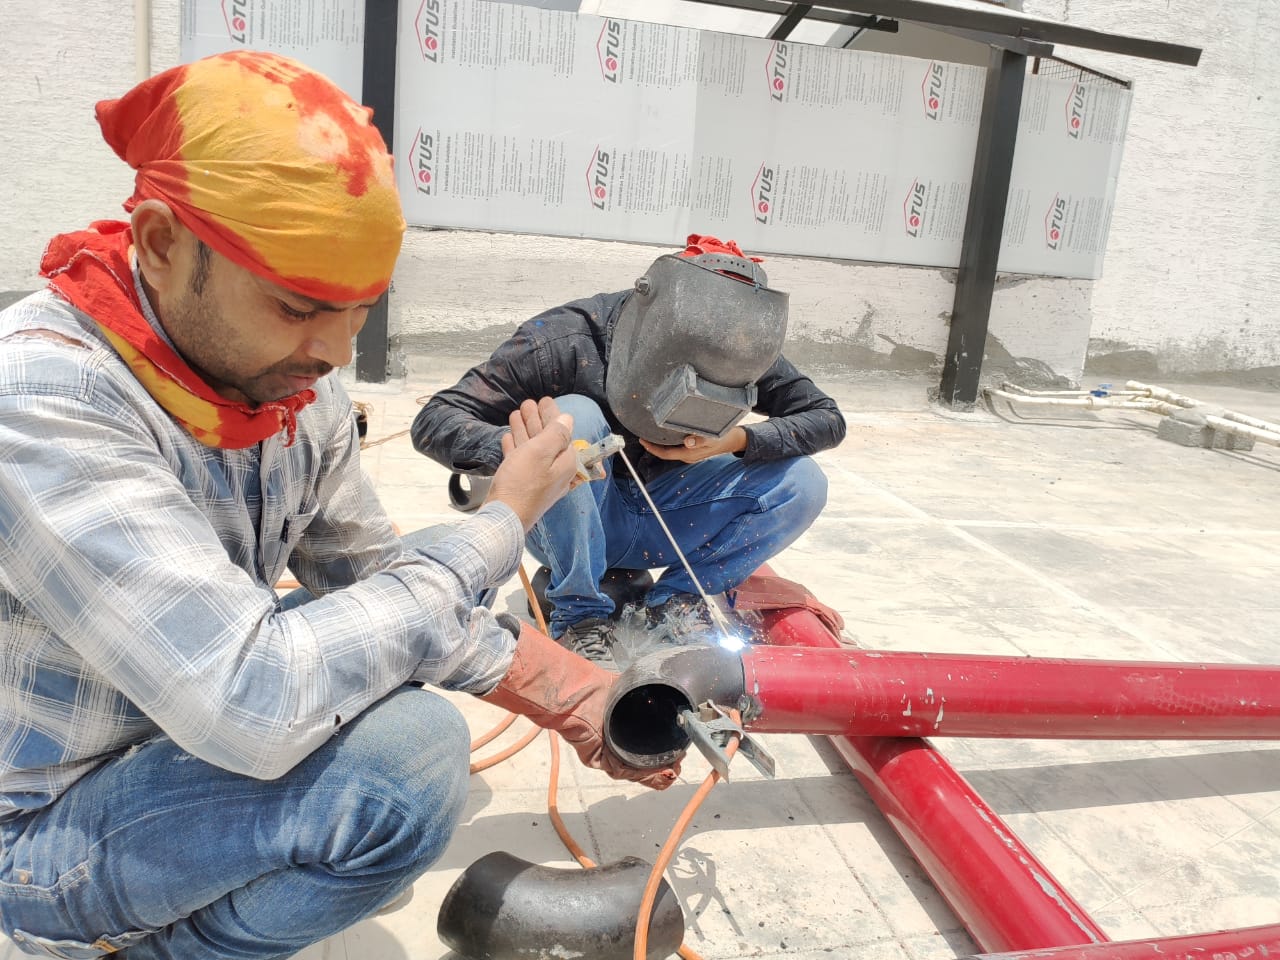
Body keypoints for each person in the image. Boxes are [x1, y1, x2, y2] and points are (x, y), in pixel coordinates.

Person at [0, 52, 676, 960]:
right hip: (42, 824)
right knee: (401, 762)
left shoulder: (292, 389)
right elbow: (251, 700)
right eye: (295, 307)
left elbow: (378, 585)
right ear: (160, 245)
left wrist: (575, 696)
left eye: (358, 311)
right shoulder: (46, 396)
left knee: (376, 647)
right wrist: (503, 519)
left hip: (168, 739)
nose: (333, 352)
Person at [412, 236, 846, 664]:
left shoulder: (734, 345)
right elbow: (435, 420)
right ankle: (578, 617)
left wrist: (736, 440)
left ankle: (675, 602)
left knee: (803, 482)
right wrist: (537, 455)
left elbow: (827, 417)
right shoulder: (567, 339)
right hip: (569, 525)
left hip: (670, 519)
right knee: (575, 416)